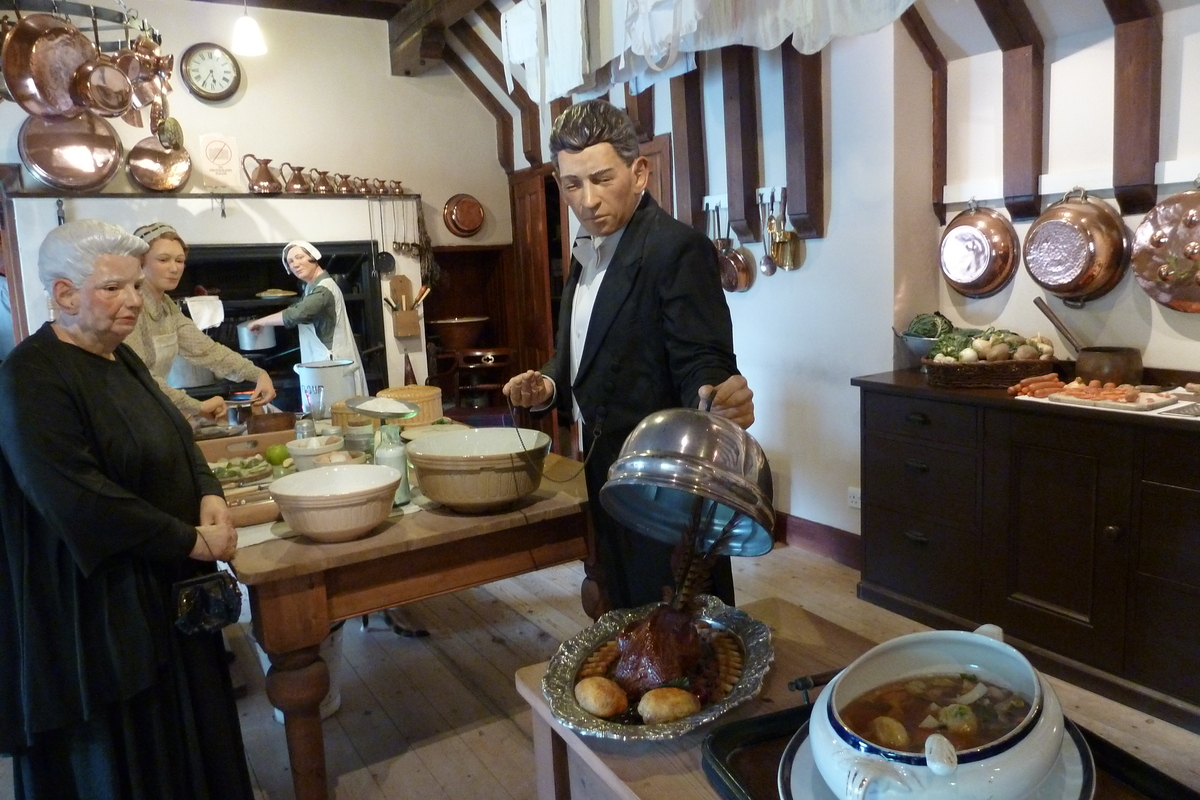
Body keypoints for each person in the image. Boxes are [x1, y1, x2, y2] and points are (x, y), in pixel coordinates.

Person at [0, 220, 254, 800]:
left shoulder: (120, 358)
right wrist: (191, 540)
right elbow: (79, 498)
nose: (134, 302)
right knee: (130, 760)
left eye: (136, 287)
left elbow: (178, 437)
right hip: (96, 613)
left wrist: (211, 494)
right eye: (114, 288)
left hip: (164, 590)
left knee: (190, 736)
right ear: (64, 295)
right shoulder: (31, 377)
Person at [503, 100, 755, 613]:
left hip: (662, 480)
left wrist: (714, 395)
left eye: (601, 179)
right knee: (621, 606)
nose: (588, 200)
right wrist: (550, 383)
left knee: (679, 617)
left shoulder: (676, 249)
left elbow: (700, 358)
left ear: (639, 172)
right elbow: (584, 351)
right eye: (572, 184)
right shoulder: (585, 250)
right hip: (600, 468)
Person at [126, 222, 276, 421]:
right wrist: (195, 406)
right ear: (140, 261)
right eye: (163, 259)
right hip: (129, 413)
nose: (174, 268)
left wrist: (257, 374)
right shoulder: (131, 306)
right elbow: (140, 375)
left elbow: (205, 349)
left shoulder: (165, 304)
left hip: (152, 409)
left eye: (179, 261)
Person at [247, 240, 367, 398]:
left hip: (332, 364)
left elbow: (297, 314)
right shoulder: (311, 287)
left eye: (299, 257)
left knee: (336, 413)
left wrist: (260, 322)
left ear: (313, 258)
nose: (295, 264)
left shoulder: (324, 289)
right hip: (324, 363)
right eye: (290, 261)